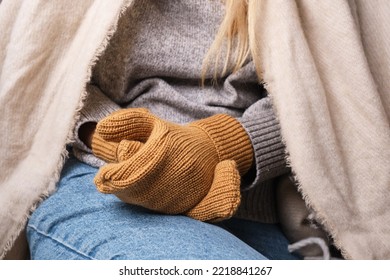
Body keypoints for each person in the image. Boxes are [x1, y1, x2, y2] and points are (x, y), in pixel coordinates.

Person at [26, 0, 306, 260]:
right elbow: (36, 70)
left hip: (260, 206)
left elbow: (330, 97)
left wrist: (226, 144)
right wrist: (112, 140)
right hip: (106, 190)